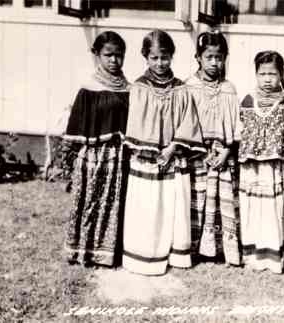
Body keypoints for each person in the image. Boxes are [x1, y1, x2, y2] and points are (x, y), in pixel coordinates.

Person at [123, 29, 206, 275]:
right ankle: (144, 253)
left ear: (172, 56)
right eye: (154, 58)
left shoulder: (181, 89)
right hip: (147, 158)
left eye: (165, 57)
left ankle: (175, 254)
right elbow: (137, 122)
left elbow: (188, 121)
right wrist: (152, 149)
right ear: (145, 58)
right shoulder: (140, 87)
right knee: (148, 205)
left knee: (171, 205)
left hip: (174, 155)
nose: (160, 63)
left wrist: (172, 147)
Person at [238, 51, 284, 274]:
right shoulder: (248, 102)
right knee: (254, 210)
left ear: (281, 75)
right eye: (262, 74)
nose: (267, 79)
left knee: (274, 210)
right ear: (256, 75)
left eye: (272, 73)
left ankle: (276, 255)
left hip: (276, 171)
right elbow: (240, 129)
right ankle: (253, 255)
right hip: (253, 171)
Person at [63, 31, 130, 267]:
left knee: (113, 203)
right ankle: (83, 250)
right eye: (108, 55)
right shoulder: (89, 89)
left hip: (118, 157)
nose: (114, 60)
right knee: (91, 201)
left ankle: (109, 252)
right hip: (93, 156)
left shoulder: (128, 88)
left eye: (118, 55)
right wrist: (68, 160)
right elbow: (76, 128)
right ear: (97, 55)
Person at [185, 31, 241, 266]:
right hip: (198, 155)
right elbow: (186, 123)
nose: (214, 62)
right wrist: (202, 151)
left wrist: (226, 151)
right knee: (198, 200)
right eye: (209, 57)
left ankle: (222, 248)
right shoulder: (190, 87)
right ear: (198, 57)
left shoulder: (228, 89)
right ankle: (196, 248)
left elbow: (235, 125)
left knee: (222, 201)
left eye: (219, 57)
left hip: (223, 155)